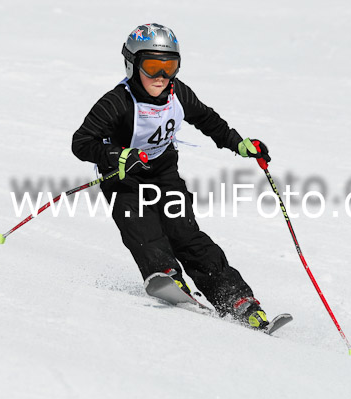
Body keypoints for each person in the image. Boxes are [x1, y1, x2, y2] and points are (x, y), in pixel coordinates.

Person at [71, 23, 272, 329]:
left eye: (170, 67)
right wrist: (116, 156)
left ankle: (235, 297)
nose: (161, 77)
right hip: (123, 177)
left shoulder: (178, 94)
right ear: (133, 64)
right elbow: (82, 142)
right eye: (152, 67)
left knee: (185, 233)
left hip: (164, 173)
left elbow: (207, 119)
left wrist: (238, 143)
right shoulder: (117, 102)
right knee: (142, 226)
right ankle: (167, 275)